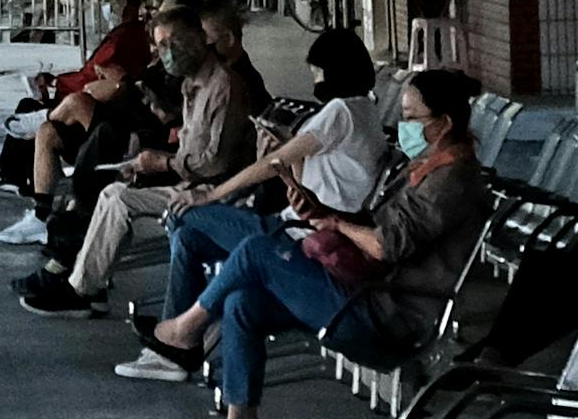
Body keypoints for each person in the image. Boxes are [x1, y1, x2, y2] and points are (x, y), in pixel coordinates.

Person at [149, 64, 486, 419]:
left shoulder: (450, 181)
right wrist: (322, 211)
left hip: (385, 315)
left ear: (445, 123)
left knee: (257, 250)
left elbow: (385, 245)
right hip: (365, 292)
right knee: (243, 301)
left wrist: (337, 224)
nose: (403, 126)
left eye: (413, 118)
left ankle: (187, 327)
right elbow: (374, 225)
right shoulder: (428, 168)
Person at [117, 25, 382, 373]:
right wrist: (282, 156)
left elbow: (273, 165)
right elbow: (300, 178)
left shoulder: (342, 111)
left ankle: (182, 336)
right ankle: (177, 343)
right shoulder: (366, 112)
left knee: (186, 216)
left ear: (334, 70)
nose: (314, 80)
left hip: (297, 231)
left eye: (317, 72)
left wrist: (212, 194)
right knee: (189, 235)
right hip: (303, 219)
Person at [23, 3, 264, 314]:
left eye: (172, 43)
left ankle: (83, 288)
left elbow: (215, 163)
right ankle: (83, 285)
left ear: (197, 39)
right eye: (160, 45)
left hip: (216, 191)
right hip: (192, 179)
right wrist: (149, 166)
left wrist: (162, 164)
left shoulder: (223, 86)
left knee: (119, 198)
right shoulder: (192, 84)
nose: (166, 52)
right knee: (114, 191)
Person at [0, 0, 161, 238]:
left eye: (113, 2)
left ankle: (45, 115)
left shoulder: (128, 39)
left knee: (77, 100)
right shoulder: (129, 37)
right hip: (116, 116)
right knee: (48, 132)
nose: (108, 8)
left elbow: (103, 81)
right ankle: (41, 215)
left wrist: (120, 82)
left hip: (128, 127)